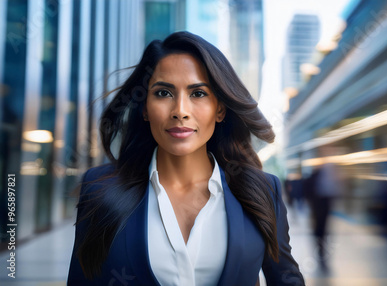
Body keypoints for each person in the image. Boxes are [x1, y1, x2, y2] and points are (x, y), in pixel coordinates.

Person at [67, 31, 304, 286]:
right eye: (163, 93)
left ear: (220, 109)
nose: (180, 111)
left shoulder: (262, 190)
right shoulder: (100, 188)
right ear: (145, 108)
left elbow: (286, 279)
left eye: (198, 93)